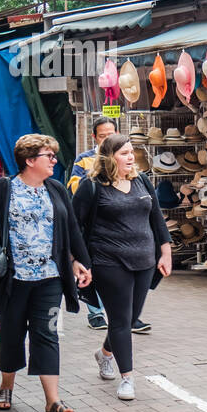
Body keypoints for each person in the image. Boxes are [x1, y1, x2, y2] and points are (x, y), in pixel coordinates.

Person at [0, 134, 93, 412]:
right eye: (48, 155)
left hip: (50, 277)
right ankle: (6, 386)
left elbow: (70, 229)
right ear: (29, 160)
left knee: (47, 333)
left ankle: (53, 401)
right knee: (11, 332)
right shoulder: (3, 189)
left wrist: (77, 262)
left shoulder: (57, 189)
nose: (54, 161)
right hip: (11, 278)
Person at [72, 134, 172, 401]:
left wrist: (165, 250)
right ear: (109, 157)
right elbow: (74, 226)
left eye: (131, 152)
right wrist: (76, 260)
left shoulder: (141, 181)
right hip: (109, 261)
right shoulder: (92, 186)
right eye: (125, 153)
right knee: (120, 320)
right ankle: (127, 378)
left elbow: (156, 217)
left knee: (128, 319)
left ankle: (104, 354)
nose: (131, 157)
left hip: (144, 261)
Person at [68, 117, 126, 331]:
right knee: (91, 266)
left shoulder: (124, 157)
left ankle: (123, 312)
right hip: (92, 223)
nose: (107, 139)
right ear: (94, 137)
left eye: (111, 135)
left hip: (117, 224)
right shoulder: (84, 160)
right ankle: (95, 312)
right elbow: (74, 186)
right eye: (102, 136)